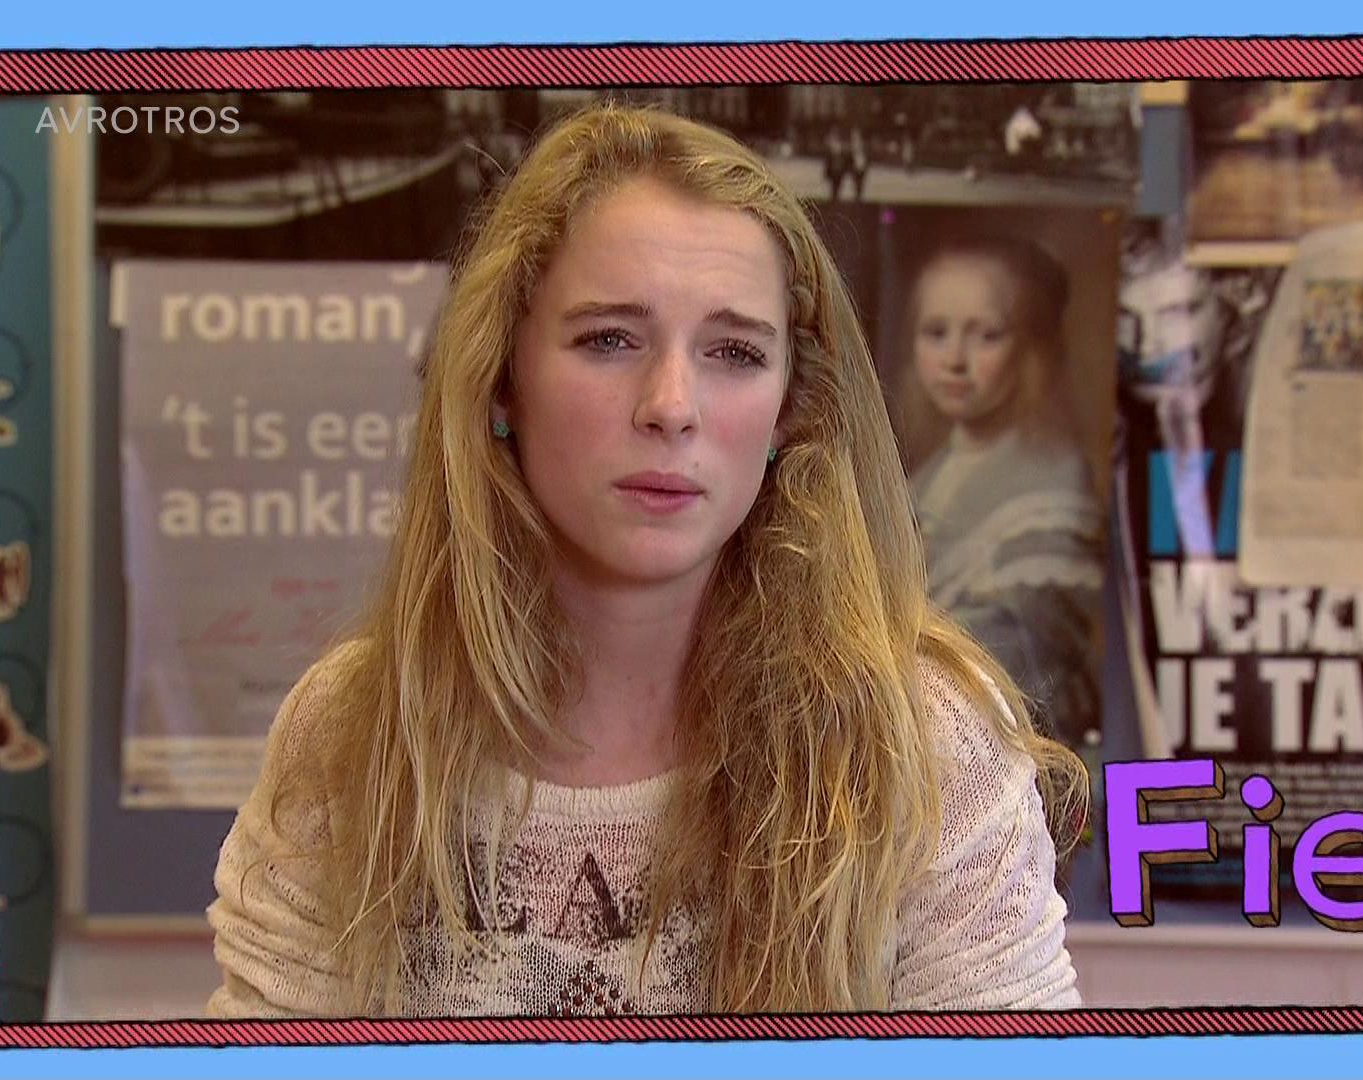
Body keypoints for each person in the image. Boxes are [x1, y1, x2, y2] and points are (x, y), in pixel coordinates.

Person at [205, 105, 1087, 1018]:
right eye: (609, 340)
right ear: (501, 379)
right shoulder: (352, 728)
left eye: (734, 352)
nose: (671, 405)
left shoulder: (927, 746)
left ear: (790, 411)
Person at [894, 234, 1106, 761]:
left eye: (986, 336)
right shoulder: (927, 473)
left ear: (1029, 348)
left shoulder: (1053, 482)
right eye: (936, 333)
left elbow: (1020, 656)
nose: (954, 360)